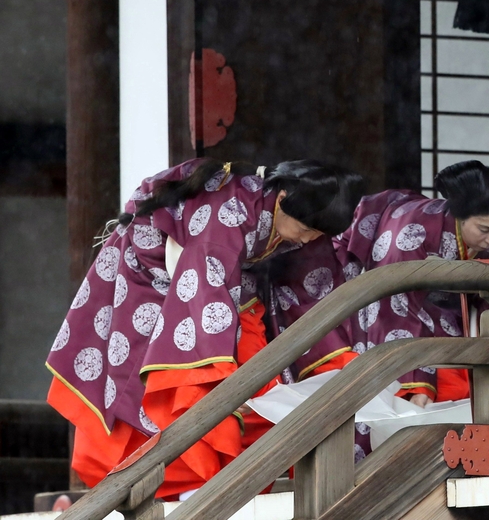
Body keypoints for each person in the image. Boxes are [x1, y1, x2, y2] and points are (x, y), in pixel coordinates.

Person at [45, 158, 364, 498]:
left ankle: (233, 480)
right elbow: (202, 296)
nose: (308, 238)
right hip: (154, 281)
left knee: (266, 385)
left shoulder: (302, 227)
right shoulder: (227, 214)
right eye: (305, 228)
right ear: (283, 196)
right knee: (167, 382)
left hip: (227, 292)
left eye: (318, 233)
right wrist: (223, 380)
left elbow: (311, 295)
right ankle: (182, 482)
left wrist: (337, 367)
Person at [263, 159, 489, 458]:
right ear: (459, 214)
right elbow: (394, 305)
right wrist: (416, 382)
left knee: (467, 372)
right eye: (484, 229)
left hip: (428, 310)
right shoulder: (412, 231)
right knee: (361, 381)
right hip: (350, 282)